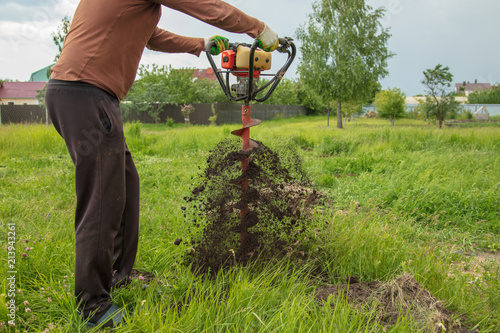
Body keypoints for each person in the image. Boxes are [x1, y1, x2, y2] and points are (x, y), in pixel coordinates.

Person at [44, 0, 279, 328]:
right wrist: (259, 29)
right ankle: (92, 305)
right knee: (101, 203)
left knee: (124, 185)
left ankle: (115, 277)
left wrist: (200, 44)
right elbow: (207, 7)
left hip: (81, 94)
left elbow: (150, 35)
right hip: (85, 94)